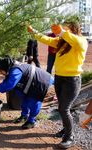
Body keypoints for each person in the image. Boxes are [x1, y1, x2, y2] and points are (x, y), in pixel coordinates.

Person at [28, 18, 88, 149]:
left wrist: (62, 32)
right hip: (59, 78)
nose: (64, 31)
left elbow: (75, 40)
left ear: (74, 29)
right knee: (62, 107)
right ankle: (65, 130)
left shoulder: (81, 41)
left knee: (64, 108)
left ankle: (70, 137)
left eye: (67, 29)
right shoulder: (62, 42)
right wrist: (34, 32)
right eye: (64, 29)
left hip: (72, 80)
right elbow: (47, 39)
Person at [0, 56, 54, 129]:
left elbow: (10, 84)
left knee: (33, 101)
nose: (0, 73)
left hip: (43, 83)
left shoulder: (16, 70)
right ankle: (24, 115)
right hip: (33, 83)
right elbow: (7, 81)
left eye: (0, 70)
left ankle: (31, 121)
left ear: (5, 67)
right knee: (24, 99)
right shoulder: (11, 68)